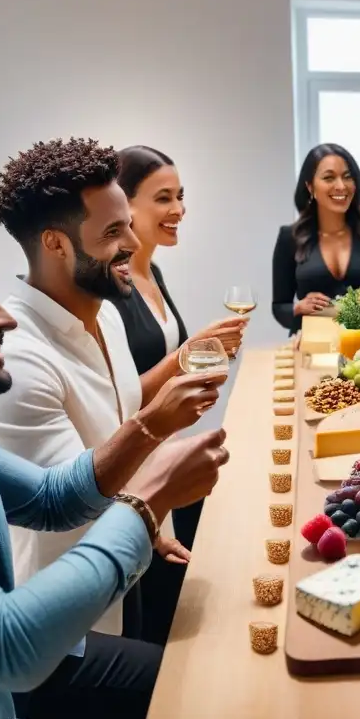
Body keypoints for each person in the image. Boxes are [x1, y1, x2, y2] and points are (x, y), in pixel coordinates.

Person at [0, 208, 228, 719]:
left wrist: (149, 427)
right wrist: (148, 500)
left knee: (203, 689)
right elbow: (8, 647)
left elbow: (50, 499)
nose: (5, 319)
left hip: (5, 717)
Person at [0, 137, 213, 645]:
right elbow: (66, 509)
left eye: (127, 223)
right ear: (56, 243)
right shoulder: (19, 358)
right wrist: (157, 433)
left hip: (130, 566)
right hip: (70, 627)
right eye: (113, 231)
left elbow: (114, 443)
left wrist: (155, 523)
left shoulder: (105, 315)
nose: (134, 243)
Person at [111, 145, 244, 642]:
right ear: (123, 205)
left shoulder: (152, 273)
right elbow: (119, 397)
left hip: (169, 452)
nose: (179, 210)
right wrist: (191, 352)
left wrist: (200, 358)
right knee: (161, 615)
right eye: (163, 197)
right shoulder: (113, 288)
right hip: (139, 467)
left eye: (181, 196)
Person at [271, 143, 360, 333]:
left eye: (347, 177)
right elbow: (279, 306)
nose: (341, 186)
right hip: (312, 346)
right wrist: (298, 308)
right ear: (310, 186)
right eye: (329, 178)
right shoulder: (290, 237)